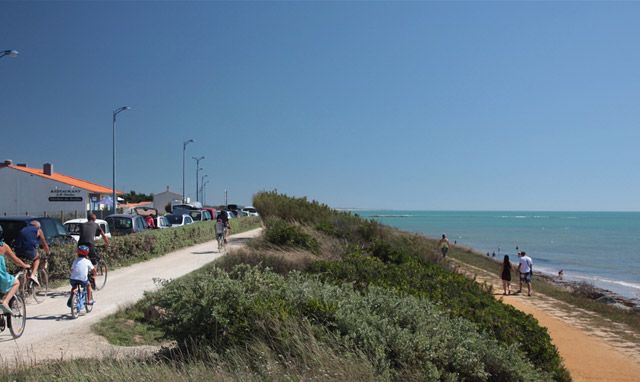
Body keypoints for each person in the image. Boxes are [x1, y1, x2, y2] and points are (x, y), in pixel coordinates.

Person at [0, 226, 31, 314]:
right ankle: (5, 302)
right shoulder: (3, 247)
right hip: (1, 277)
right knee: (16, 283)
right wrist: (25, 265)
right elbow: (16, 260)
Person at [14, 220, 50, 285]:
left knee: (24, 266)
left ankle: (23, 286)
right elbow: (44, 243)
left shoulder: (24, 229)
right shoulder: (38, 230)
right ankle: (33, 275)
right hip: (29, 249)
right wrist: (48, 252)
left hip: (17, 250)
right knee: (37, 258)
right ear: (38, 226)